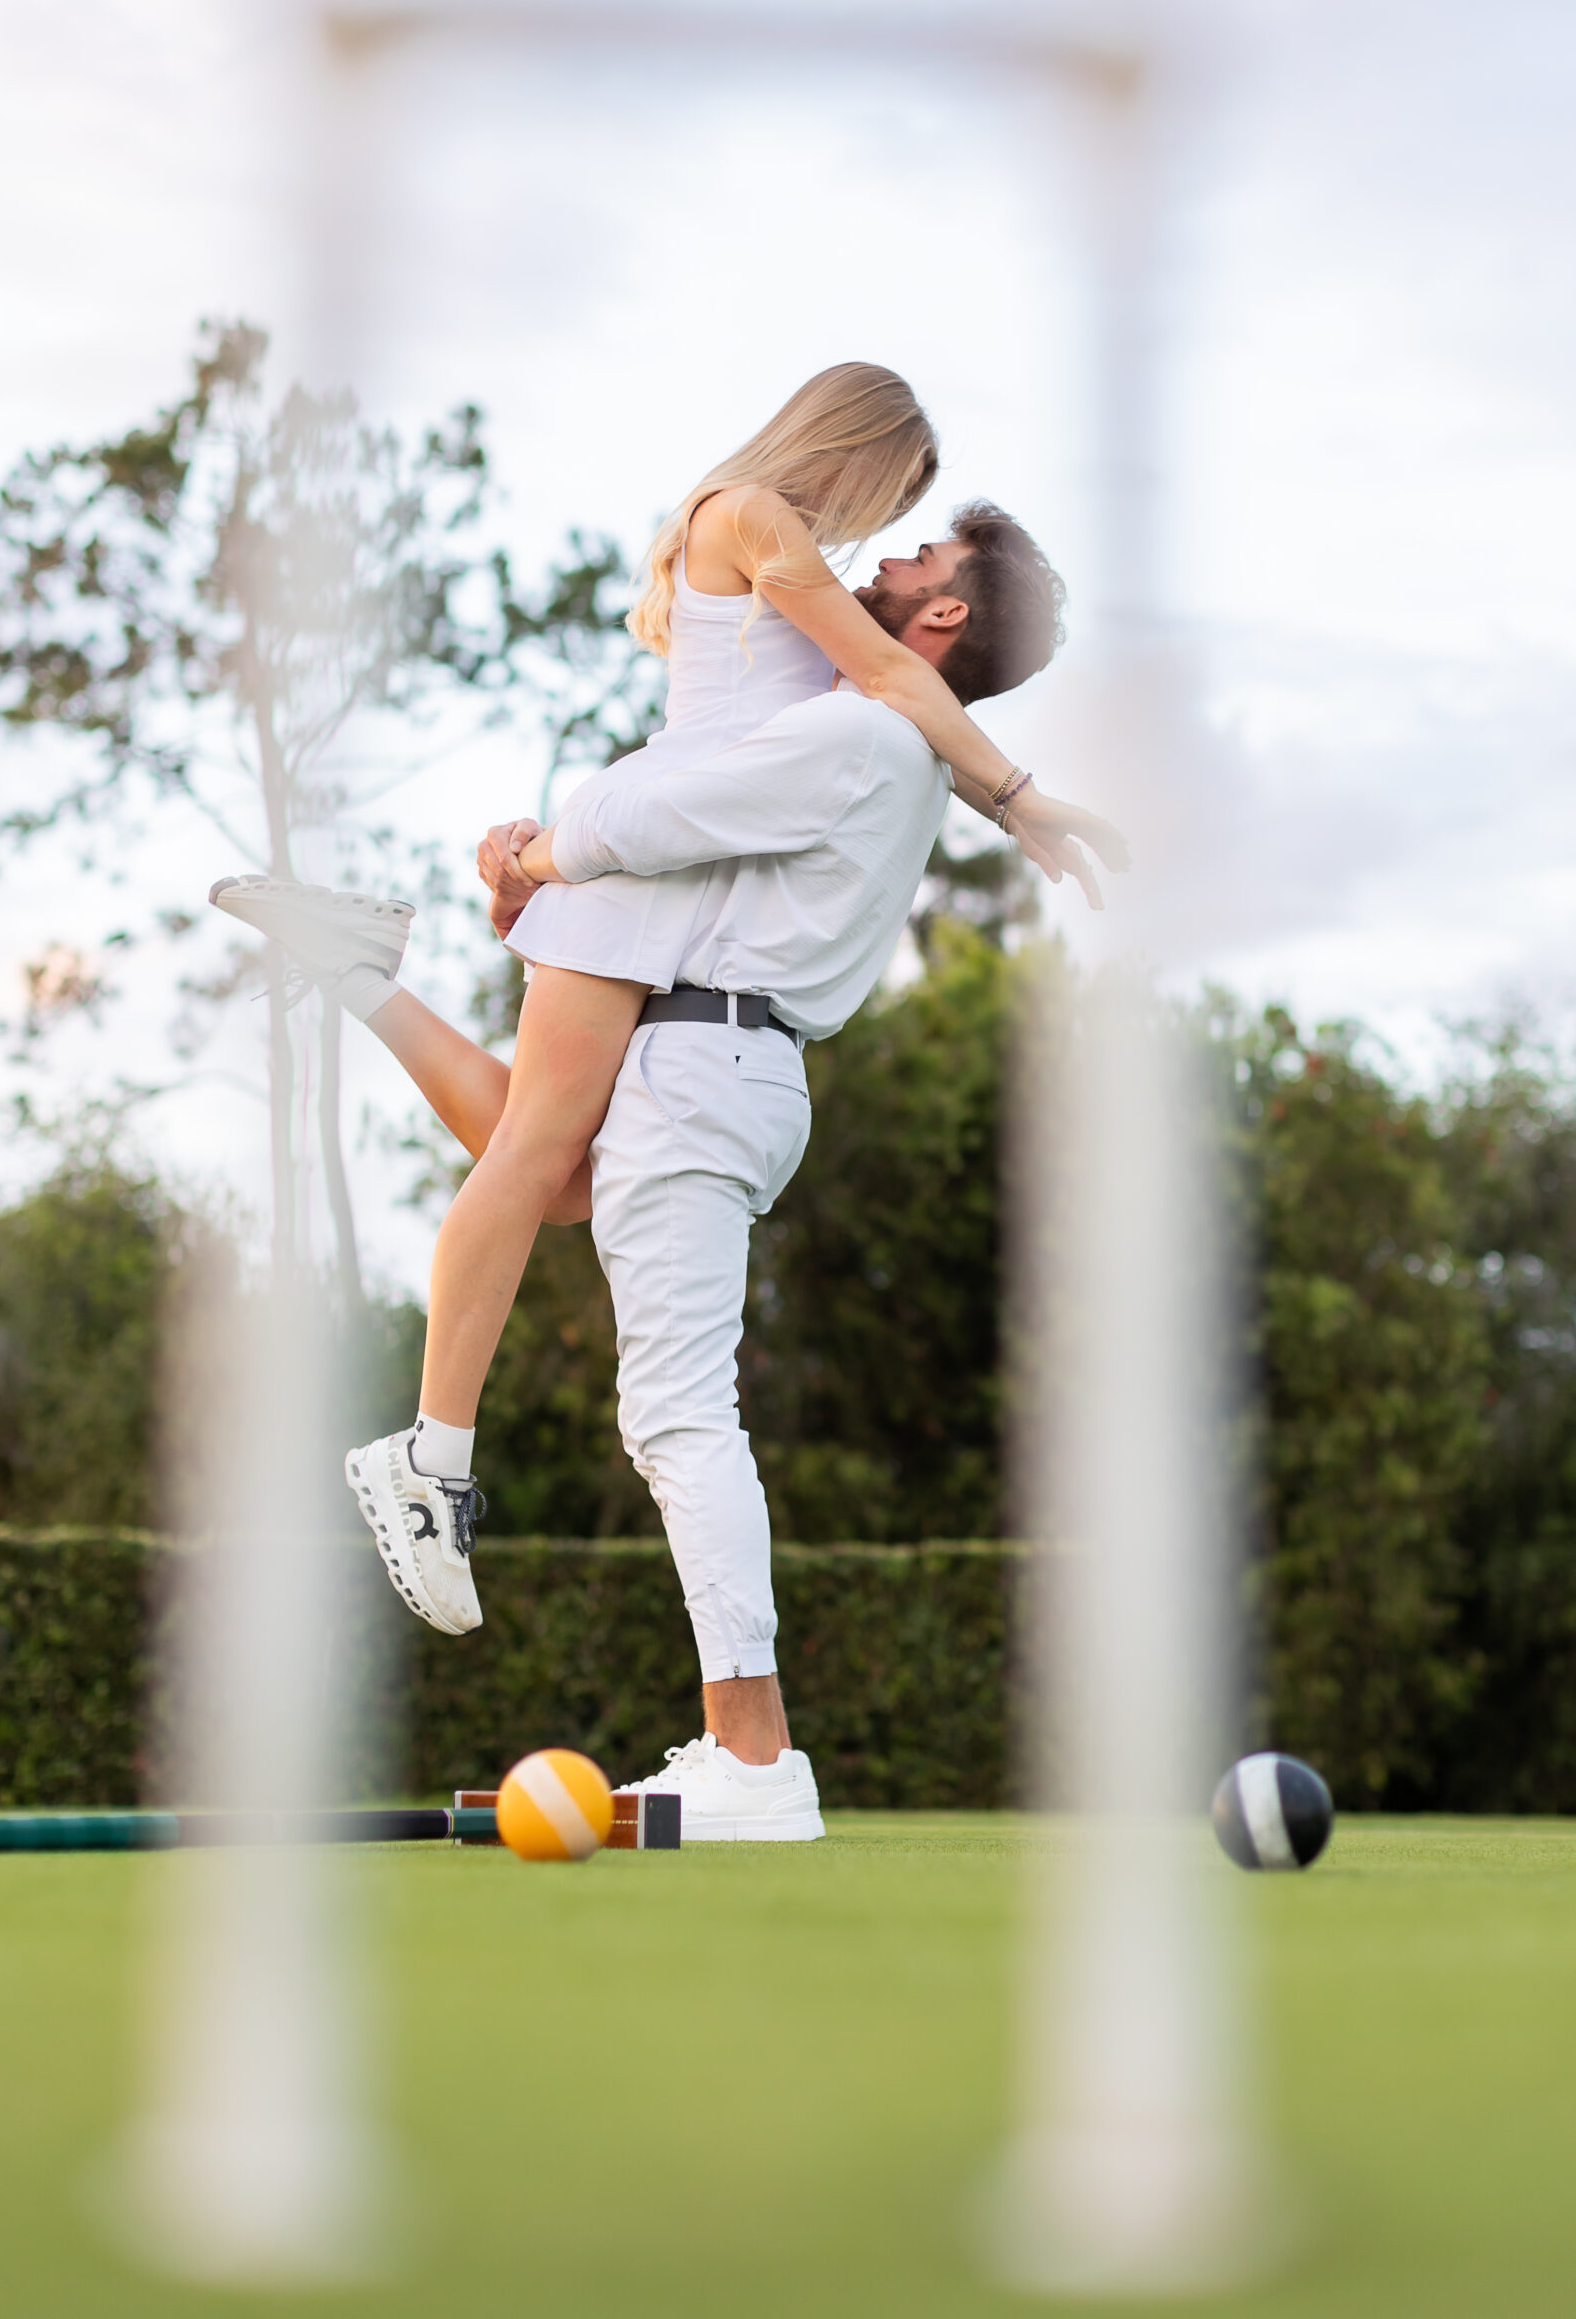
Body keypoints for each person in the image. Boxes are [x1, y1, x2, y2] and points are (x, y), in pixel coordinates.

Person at [219, 494, 1114, 1838]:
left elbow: (659, 804)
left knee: (679, 1414)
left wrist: (534, 851)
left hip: (707, 1064)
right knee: (548, 1168)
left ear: (945, 616)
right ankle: (354, 977)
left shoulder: (866, 729)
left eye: (919, 560)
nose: (883, 561)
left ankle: (751, 1754)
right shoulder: (899, 746)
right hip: (720, 1066)